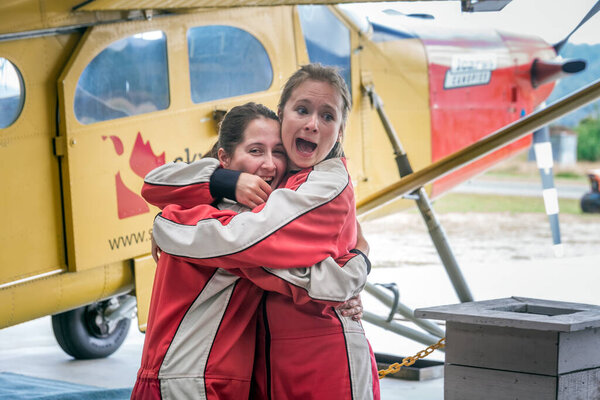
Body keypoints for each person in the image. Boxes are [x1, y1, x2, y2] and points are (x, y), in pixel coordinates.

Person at [149, 64, 380, 400]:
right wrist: (224, 182)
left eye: (328, 116)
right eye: (302, 110)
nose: (312, 124)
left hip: (323, 359)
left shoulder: (325, 184)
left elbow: (245, 243)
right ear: (282, 114)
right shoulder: (279, 185)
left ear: (341, 131)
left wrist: (168, 224)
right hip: (266, 365)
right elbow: (158, 181)